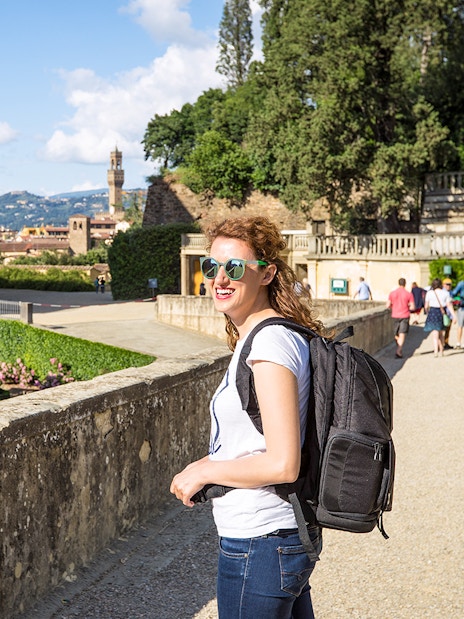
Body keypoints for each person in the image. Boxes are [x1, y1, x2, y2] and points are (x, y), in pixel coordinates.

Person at [170, 216, 326, 619]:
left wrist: (206, 470)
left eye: (234, 268)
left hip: (260, 539)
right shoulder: (265, 336)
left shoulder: (270, 343)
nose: (219, 278)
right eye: (211, 267)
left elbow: (283, 462)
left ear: (267, 273)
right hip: (278, 536)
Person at [424, 278, 456, 357]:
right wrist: (454, 316)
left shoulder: (429, 293)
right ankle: (441, 350)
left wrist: (427, 312)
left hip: (433, 312)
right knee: (441, 333)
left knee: (435, 333)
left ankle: (436, 351)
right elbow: (449, 305)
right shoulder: (445, 293)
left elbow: (426, 306)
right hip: (441, 312)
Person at [386, 278, 415, 358]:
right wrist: (408, 305)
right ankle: (399, 350)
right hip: (404, 315)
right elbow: (413, 307)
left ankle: (398, 350)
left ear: (398, 283)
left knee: (396, 333)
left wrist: (393, 306)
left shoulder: (392, 293)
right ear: (405, 284)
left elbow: (387, 305)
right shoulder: (408, 294)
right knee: (402, 333)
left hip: (395, 315)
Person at [450, 279, 464, 349]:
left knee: (460, 325)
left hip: (462, 307)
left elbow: (454, 293)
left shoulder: (461, 283)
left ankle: (458, 343)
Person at [441, 278, 454, 349]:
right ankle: (440, 343)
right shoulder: (442, 292)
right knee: (442, 329)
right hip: (444, 313)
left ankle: (446, 343)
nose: (448, 286)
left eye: (449, 285)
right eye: (447, 284)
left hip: (449, 314)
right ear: (443, 285)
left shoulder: (451, 292)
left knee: (448, 329)